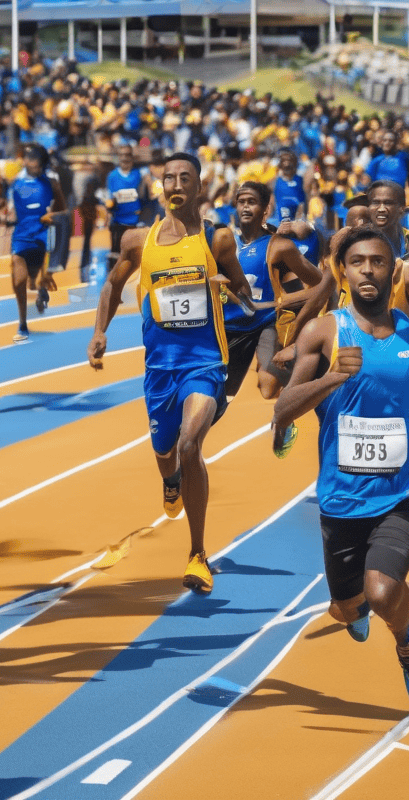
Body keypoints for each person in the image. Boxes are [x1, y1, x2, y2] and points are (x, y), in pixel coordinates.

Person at [272, 224, 409, 706]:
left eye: (378, 262)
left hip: (402, 491)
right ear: (342, 271)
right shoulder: (322, 331)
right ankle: (360, 604)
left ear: (392, 269)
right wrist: (333, 375)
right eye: (357, 262)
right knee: (346, 606)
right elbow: (284, 407)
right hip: (340, 497)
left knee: (381, 595)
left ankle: (408, 644)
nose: (368, 271)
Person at [87, 153, 254, 595]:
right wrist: (100, 332)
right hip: (160, 369)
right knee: (166, 454)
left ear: (200, 187)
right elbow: (113, 284)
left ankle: (198, 553)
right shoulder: (140, 240)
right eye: (168, 178)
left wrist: (230, 290)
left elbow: (244, 292)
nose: (176, 183)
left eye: (186, 177)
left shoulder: (217, 241)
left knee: (189, 443)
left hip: (204, 363)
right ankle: (170, 481)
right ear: (161, 187)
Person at [223, 181, 322, 402]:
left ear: (265, 209)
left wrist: (282, 301)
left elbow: (321, 284)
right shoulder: (225, 244)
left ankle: (301, 379)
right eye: (241, 202)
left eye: (252, 202)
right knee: (221, 393)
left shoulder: (279, 246)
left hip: (264, 324)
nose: (246, 207)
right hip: (229, 326)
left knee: (268, 388)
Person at [8, 144, 67, 343]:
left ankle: (42, 286)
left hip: (44, 235)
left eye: (34, 159)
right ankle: (23, 323)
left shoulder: (51, 183)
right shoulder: (16, 183)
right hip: (22, 235)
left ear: (41, 163)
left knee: (40, 276)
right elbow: (12, 209)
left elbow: (63, 211)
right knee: (18, 281)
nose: (30, 162)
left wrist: (52, 214)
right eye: (28, 158)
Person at [103, 144, 149, 270]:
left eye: (128, 155)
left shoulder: (139, 174)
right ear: (118, 157)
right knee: (117, 260)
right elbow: (108, 198)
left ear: (132, 157)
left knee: (137, 259)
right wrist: (108, 209)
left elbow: (148, 191)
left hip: (136, 222)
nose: (125, 158)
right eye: (122, 155)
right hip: (118, 222)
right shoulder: (112, 176)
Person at [365, 129, 409, 205]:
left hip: (398, 197)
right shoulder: (376, 161)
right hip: (380, 197)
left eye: (390, 141)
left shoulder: (403, 157)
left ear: (396, 143)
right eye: (385, 140)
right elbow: (367, 181)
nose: (387, 143)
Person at [270, 149, 307, 227]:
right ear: (280, 164)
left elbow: (305, 200)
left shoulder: (301, 180)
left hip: (298, 218)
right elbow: (271, 202)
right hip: (280, 218)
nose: (287, 163)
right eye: (284, 161)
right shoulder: (274, 181)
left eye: (289, 161)